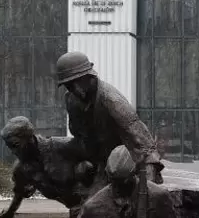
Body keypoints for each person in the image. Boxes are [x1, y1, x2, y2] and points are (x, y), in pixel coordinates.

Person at [57, 51, 164, 198]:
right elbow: (77, 134)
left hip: (124, 166)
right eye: (67, 85)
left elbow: (144, 143)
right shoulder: (71, 99)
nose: (71, 89)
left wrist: (148, 186)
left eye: (72, 83)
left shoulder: (112, 100)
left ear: (87, 77)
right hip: (100, 163)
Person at [0, 117, 95, 218]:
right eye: (9, 147)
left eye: (15, 145)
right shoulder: (22, 170)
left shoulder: (60, 146)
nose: (13, 151)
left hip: (97, 200)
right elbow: (19, 193)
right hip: (78, 210)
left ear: (29, 138)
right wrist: (10, 212)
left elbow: (98, 157)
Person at [79, 145, 176, 218]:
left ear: (135, 173)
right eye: (115, 182)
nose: (119, 187)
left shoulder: (158, 197)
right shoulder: (93, 208)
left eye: (124, 182)